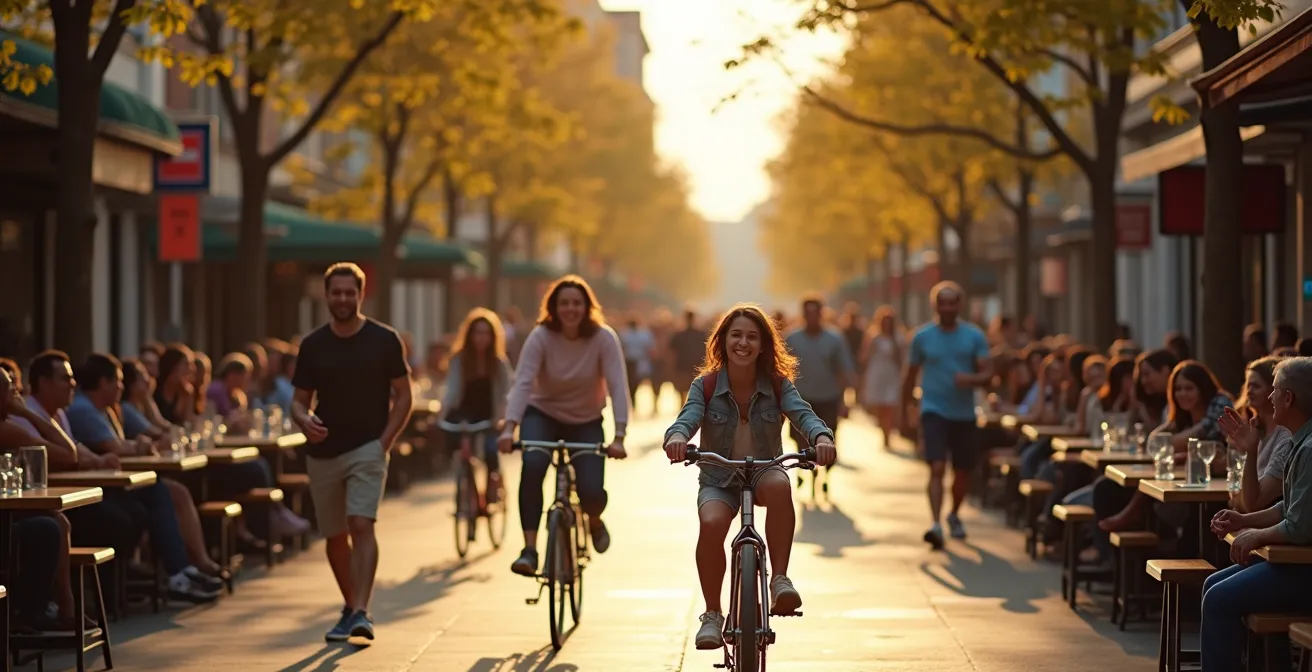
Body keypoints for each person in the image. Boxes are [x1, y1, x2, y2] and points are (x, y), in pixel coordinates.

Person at [662, 303, 837, 649]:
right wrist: (678, 437)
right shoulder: (705, 386)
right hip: (718, 478)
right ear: (723, 341)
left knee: (779, 485)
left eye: (752, 337)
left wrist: (821, 437)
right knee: (711, 523)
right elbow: (688, 417)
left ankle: (780, 580)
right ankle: (713, 614)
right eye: (736, 335)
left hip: (764, 470)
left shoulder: (778, 385)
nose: (743, 343)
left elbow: (803, 414)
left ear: (763, 345)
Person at [291, 262, 414, 642]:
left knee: (361, 523)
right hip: (323, 452)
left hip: (368, 448)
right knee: (334, 535)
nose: (343, 299)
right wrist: (303, 420)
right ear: (326, 296)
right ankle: (350, 607)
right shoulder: (313, 345)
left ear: (361, 295)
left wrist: (384, 443)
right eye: (336, 293)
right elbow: (298, 401)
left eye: (350, 293)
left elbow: (404, 396)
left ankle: (361, 610)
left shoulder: (384, 339)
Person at [498, 275, 630, 577]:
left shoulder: (603, 338)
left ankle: (593, 520)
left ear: (587, 307)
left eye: (577, 303)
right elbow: (523, 382)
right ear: (553, 308)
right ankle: (529, 550)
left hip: (586, 420)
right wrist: (509, 427)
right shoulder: (541, 337)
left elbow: (618, 385)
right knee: (532, 466)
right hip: (542, 414)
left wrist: (620, 435)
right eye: (564, 303)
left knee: (591, 491)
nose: (571, 309)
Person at [1205, 357, 1312, 672]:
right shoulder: (1300, 440)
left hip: (1305, 571)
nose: (1270, 397)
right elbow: (1289, 506)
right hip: (1297, 565)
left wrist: (1257, 536)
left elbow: (1299, 527)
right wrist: (1244, 521)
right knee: (1211, 584)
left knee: (1218, 599)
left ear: (1289, 398)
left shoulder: (1308, 448)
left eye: (1274, 390)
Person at [901, 281, 991, 549]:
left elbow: (989, 373)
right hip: (933, 410)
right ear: (935, 305)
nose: (948, 308)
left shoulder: (974, 336)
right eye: (943, 303)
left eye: (952, 303)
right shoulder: (922, 337)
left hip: (964, 413)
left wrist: (971, 379)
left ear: (959, 305)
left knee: (962, 471)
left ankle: (954, 514)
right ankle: (935, 524)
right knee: (937, 467)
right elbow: (910, 376)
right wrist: (906, 409)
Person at [439, 308, 514, 507]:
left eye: (486, 333)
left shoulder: (498, 363)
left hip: (489, 416)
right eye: (477, 333)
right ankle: (467, 489)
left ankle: (492, 488)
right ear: (469, 335)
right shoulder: (459, 359)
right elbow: (452, 389)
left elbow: (507, 392)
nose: (481, 338)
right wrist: (442, 413)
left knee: (490, 450)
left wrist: (502, 416)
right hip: (464, 413)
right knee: (462, 449)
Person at [784, 295, 855, 490]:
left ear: (822, 314)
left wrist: (846, 400)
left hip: (828, 398)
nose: (812, 317)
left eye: (816, 313)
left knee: (827, 439)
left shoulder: (834, 339)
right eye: (808, 313)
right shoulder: (792, 338)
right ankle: (805, 471)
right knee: (800, 439)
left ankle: (825, 477)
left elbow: (845, 369)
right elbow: (782, 370)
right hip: (800, 399)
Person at [1218, 356, 1294, 513]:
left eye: (1256, 386)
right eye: (1248, 385)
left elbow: (1250, 503)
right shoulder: (1254, 429)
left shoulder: (1286, 436)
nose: (1249, 391)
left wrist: (1250, 452)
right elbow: (1237, 497)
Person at [860, 305, 904, 443]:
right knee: (880, 404)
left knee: (890, 403)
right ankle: (883, 428)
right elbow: (865, 356)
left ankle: (888, 433)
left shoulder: (898, 338)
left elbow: (902, 358)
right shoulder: (874, 336)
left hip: (891, 374)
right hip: (877, 372)